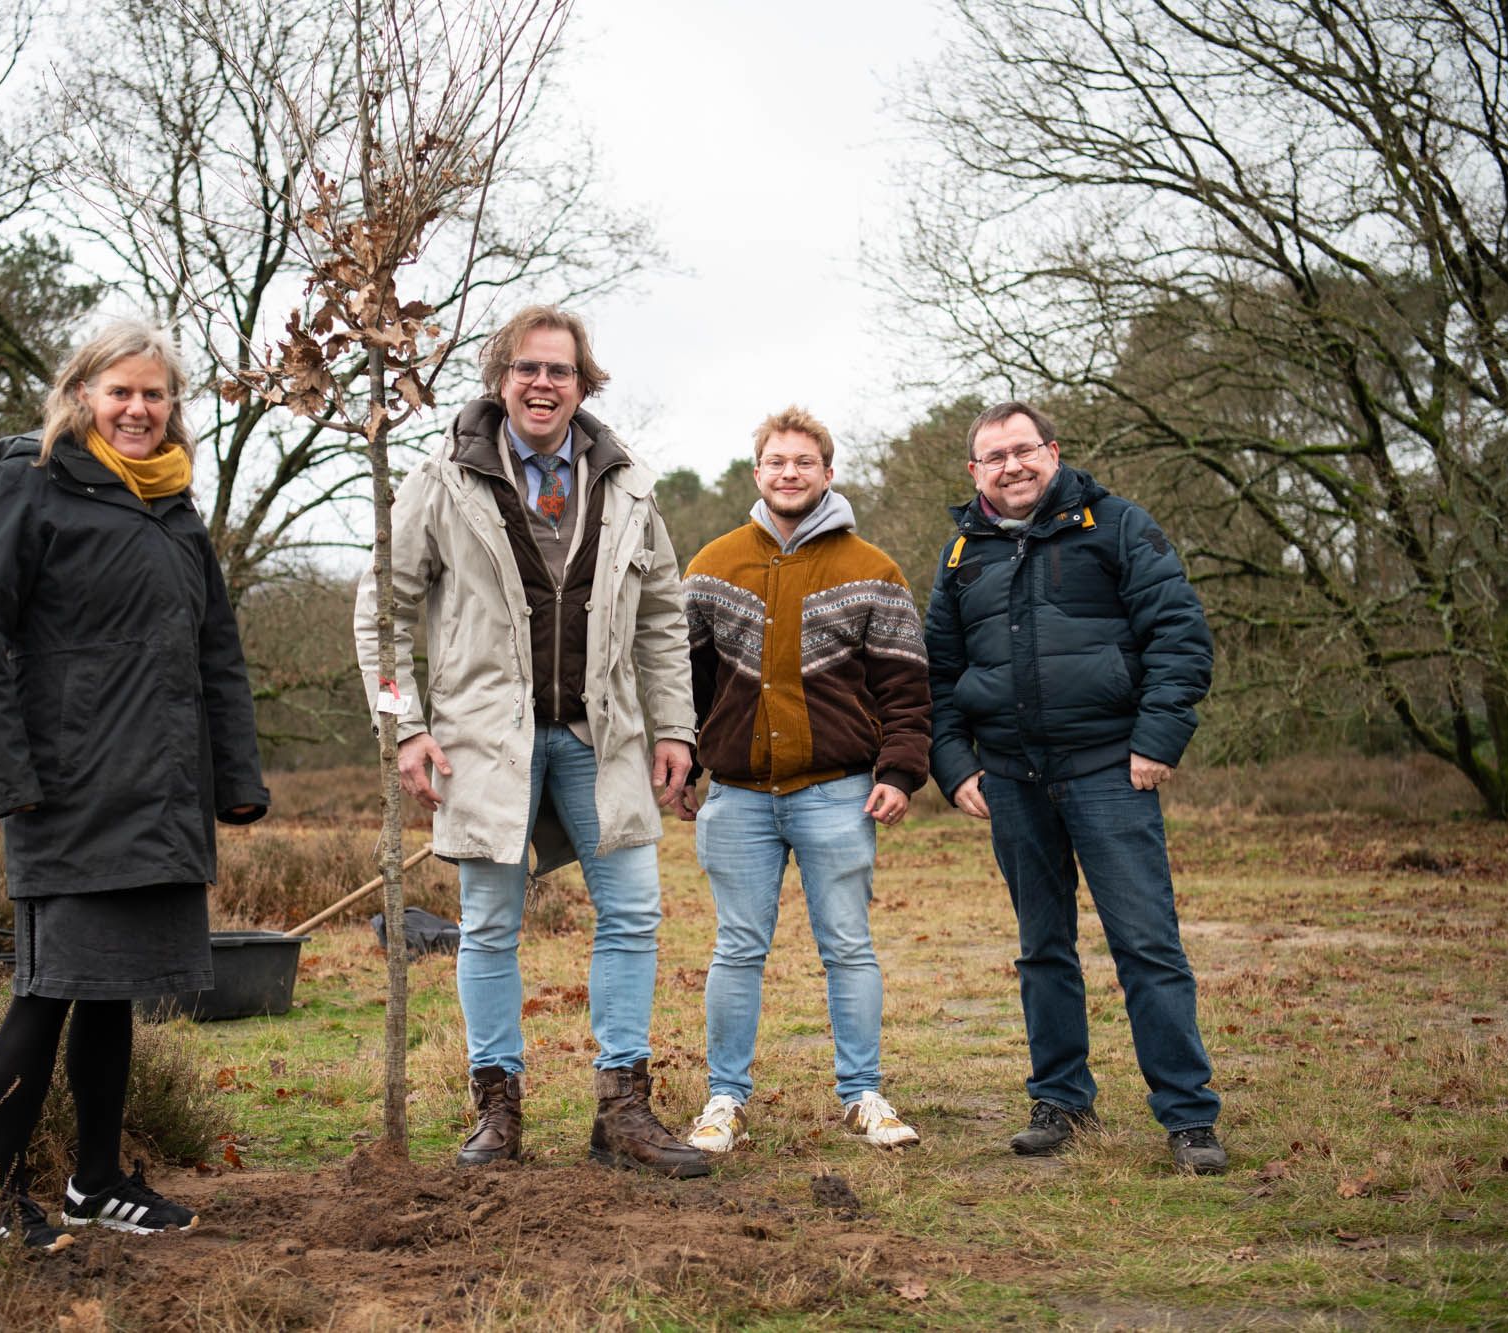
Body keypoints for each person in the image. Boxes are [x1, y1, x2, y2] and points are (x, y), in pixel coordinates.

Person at [353, 304, 709, 1179]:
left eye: (560, 370)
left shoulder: (628, 484)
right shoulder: (442, 481)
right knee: (489, 925)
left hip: (605, 737)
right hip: (486, 744)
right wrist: (405, 727)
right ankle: (497, 1108)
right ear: (499, 379)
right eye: (526, 369)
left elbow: (663, 617)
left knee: (631, 914)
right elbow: (384, 611)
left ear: (584, 384)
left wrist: (674, 726)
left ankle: (622, 1109)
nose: (543, 383)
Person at [0, 320, 269, 1250]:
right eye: (120, 391)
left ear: (174, 409)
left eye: (155, 394)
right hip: (69, 787)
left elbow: (218, 649)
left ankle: (95, 1181)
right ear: (81, 394)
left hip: (163, 788)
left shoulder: (176, 512)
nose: (138, 409)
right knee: (47, 986)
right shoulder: (29, 480)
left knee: (112, 988)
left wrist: (237, 777)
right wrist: (9, 774)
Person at [924, 401, 1228, 1174]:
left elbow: (1179, 634)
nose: (1011, 466)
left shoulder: (1118, 525)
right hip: (1013, 780)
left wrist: (1157, 739)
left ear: (1053, 452)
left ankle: (1188, 1117)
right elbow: (938, 674)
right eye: (994, 456)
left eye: (1023, 450)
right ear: (975, 472)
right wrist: (955, 765)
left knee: (1147, 945)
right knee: (1042, 947)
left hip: (1108, 772)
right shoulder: (963, 551)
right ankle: (1061, 1099)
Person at [676, 407, 930, 1155]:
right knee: (736, 948)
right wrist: (683, 759)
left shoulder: (873, 570)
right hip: (738, 797)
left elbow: (907, 690)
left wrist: (902, 771)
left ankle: (863, 1095)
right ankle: (724, 1099)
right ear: (757, 473)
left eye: (804, 461)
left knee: (848, 946)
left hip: (838, 791)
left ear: (827, 471)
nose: (790, 472)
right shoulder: (713, 565)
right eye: (776, 461)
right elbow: (683, 686)